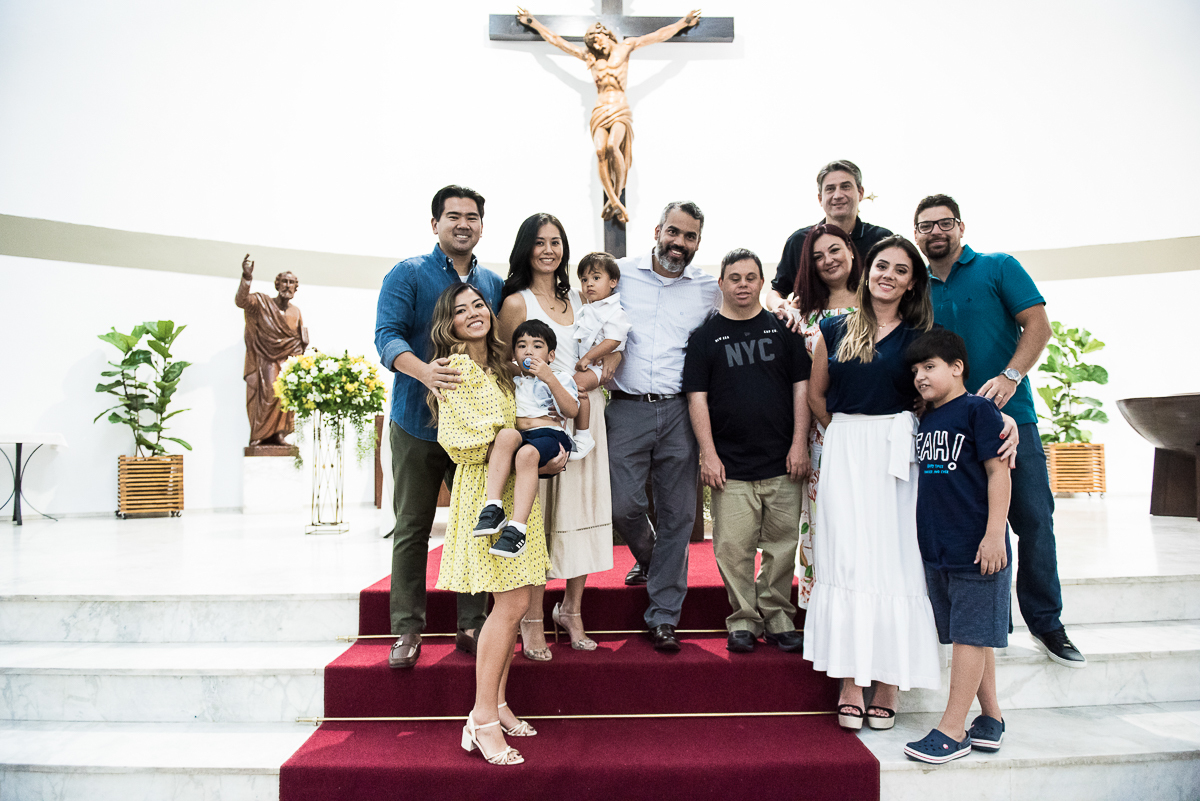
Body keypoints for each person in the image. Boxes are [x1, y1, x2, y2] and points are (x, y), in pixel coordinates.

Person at [375, 186, 566, 671]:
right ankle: (407, 629)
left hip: (485, 431)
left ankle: (471, 623)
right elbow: (387, 336)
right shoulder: (408, 273)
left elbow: (503, 346)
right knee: (414, 526)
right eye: (453, 216)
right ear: (435, 223)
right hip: (420, 424)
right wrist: (425, 372)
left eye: (472, 217)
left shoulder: (492, 282)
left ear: (481, 225)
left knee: (479, 521)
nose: (463, 223)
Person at [913, 194, 1086, 669]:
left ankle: (1047, 622)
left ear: (961, 227)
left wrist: (1011, 377)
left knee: (1032, 519)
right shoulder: (916, 287)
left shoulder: (998, 267)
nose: (935, 233)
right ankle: (991, 625)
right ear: (917, 235)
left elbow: (1039, 325)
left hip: (1013, 421)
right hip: (946, 429)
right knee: (968, 524)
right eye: (925, 226)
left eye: (944, 223)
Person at [803, 234, 941, 730]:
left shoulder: (921, 336)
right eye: (882, 265)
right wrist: (843, 432)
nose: (889, 275)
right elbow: (817, 395)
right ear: (868, 270)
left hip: (896, 454)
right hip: (845, 446)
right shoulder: (833, 327)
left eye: (901, 270)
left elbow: (937, 395)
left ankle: (887, 681)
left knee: (894, 558)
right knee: (847, 557)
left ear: (911, 283)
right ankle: (850, 680)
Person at [429, 283, 551, 767]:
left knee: (513, 600)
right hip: (485, 495)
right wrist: (531, 445)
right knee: (512, 601)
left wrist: (535, 454)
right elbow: (461, 438)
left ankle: (498, 704)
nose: (473, 313)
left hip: (517, 492)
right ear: (450, 323)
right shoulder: (455, 368)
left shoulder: (499, 368)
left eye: (479, 304)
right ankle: (480, 719)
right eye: (461, 310)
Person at [683, 248, 811, 654]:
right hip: (731, 467)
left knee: (781, 548)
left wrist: (798, 445)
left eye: (751, 277)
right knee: (732, 549)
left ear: (761, 281)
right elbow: (697, 399)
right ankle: (742, 620)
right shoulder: (705, 338)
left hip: (782, 463)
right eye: (734, 277)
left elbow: (801, 390)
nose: (742, 284)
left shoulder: (783, 330)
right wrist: (709, 454)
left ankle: (777, 616)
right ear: (721, 283)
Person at [498, 213, 613, 660]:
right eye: (540, 242)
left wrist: (598, 377)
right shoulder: (516, 302)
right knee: (540, 515)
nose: (549, 250)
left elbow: (605, 350)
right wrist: (542, 387)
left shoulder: (579, 300)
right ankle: (530, 618)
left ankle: (572, 609)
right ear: (527, 248)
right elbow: (504, 363)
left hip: (584, 414)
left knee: (580, 508)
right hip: (542, 420)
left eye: (557, 242)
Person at [609, 200, 721, 651]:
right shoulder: (620, 275)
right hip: (627, 406)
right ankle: (652, 561)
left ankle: (663, 615)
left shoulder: (706, 288)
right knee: (623, 506)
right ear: (657, 231)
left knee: (679, 515)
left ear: (697, 242)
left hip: (681, 411)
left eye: (689, 236)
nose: (679, 243)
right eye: (673, 232)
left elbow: (743, 306)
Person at [903, 329, 1010, 764]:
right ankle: (992, 717)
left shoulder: (978, 411)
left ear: (956, 367)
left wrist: (994, 534)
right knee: (972, 634)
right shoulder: (927, 418)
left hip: (976, 544)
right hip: (939, 547)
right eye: (915, 370)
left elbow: (998, 473)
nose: (920, 377)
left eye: (929, 367)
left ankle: (953, 729)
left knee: (969, 634)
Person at [515, 8, 701, 223]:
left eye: (598, 40)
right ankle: (615, 201)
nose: (596, 46)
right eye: (592, 43)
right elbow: (558, 41)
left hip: (620, 108)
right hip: (600, 109)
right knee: (601, 150)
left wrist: (682, 24)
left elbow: (658, 35)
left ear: (606, 34)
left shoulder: (626, 47)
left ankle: (615, 198)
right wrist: (534, 23)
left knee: (614, 146)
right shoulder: (591, 58)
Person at [770, 223, 862, 609]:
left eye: (835, 250)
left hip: (876, 432)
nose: (828, 261)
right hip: (824, 435)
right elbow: (802, 384)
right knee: (829, 522)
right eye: (818, 256)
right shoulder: (802, 315)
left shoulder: (878, 303)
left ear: (852, 252)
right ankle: (827, 613)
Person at [473, 319, 580, 557]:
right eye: (522, 345)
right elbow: (497, 365)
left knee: (526, 454)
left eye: (537, 345)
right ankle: (493, 507)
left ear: (551, 355)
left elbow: (572, 410)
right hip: (524, 436)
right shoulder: (514, 378)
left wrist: (549, 378)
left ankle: (517, 529)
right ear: (514, 353)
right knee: (506, 436)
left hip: (552, 435)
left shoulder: (560, 377)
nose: (529, 350)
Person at [766, 160, 893, 317]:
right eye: (830, 189)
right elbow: (776, 292)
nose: (838, 195)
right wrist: (779, 304)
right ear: (820, 198)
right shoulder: (799, 241)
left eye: (845, 187)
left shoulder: (882, 240)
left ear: (860, 193)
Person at [235, 254, 309, 448]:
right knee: (269, 392)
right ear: (277, 285)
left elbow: (297, 340)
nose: (287, 285)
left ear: (296, 288)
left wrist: (304, 347)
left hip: (289, 363)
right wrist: (246, 278)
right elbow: (241, 301)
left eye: (292, 283)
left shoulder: (296, 311)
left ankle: (279, 434)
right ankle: (259, 434)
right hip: (266, 359)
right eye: (284, 281)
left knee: (285, 397)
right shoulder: (262, 303)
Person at [571, 252, 632, 460]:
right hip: (588, 362)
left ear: (613, 282)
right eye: (584, 279)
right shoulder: (588, 308)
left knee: (576, 385)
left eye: (596, 278)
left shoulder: (614, 311)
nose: (589, 284)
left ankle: (583, 434)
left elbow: (614, 340)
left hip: (597, 366)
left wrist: (588, 357)